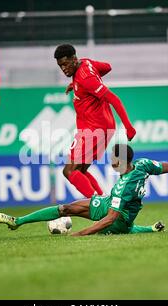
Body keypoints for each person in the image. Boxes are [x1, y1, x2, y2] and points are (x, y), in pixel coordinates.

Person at [0, 143, 168, 236]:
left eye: (113, 159)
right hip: (111, 205)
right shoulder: (143, 164)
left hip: (116, 216)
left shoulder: (126, 186)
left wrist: (79, 234)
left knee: (116, 225)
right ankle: (17, 222)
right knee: (66, 208)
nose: (111, 162)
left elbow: (110, 219)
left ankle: (18, 222)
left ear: (121, 161)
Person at [54, 44, 137, 198]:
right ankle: (103, 200)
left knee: (69, 171)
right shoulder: (86, 64)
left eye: (66, 64)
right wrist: (77, 84)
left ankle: (98, 204)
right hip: (100, 127)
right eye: (60, 66)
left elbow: (114, 99)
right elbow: (107, 67)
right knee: (81, 171)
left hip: (94, 129)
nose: (64, 69)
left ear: (74, 59)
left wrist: (128, 127)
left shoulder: (86, 78)